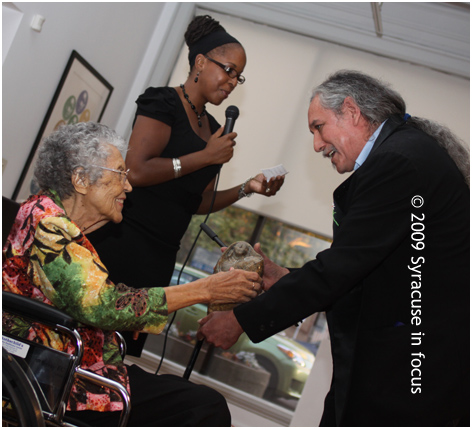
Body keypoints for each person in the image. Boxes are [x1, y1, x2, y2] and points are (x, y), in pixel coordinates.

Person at [197, 70, 470, 426]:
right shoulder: (405, 153)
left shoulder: (399, 162)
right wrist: (281, 277)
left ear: (351, 111)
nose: (316, 145)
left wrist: (240, 320)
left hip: (408, 372)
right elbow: (362, 272)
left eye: (318, 127)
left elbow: (342, 269)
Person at [2, 122, 263, 427]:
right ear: (82, 179)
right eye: (119, 174)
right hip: (59, 381)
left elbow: (81, 292)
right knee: (204, 407)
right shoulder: (50, 226)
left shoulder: (46, 215)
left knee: (191, 399)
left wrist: (128, 315)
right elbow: (102, 304)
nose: (128, 186)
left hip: (68, 366)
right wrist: (206, 289)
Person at [87, 14, 285, 356]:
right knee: (85, 338)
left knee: (117, 357)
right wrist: (205, 157)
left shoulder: (211, 127)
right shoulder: (161, 103)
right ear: (200, 61)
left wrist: (246, 189)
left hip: (160, 257)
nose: (232, 81)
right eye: (228, 69)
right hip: (122, 243)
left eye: (238, 76)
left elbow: (195, 203)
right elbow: (135, 170)